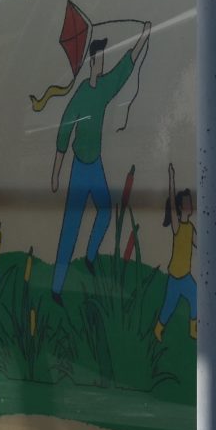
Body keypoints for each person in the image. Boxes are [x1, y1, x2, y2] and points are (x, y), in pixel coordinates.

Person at [46, 20, 148, 296]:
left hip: (96, 165)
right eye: (100, 59)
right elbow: (64, 131)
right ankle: (56, 287)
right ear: (92, 62)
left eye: (103, 59)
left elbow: (124, 69)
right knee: (71, 226)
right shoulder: (82, 94)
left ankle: (90, 257)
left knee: (105, 211)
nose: (103, 63)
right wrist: (56, 173)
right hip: (80, 167)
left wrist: (144, 35)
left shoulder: (103, 88)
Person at [155, 172, 197, 340]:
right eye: (187, 202)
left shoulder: (191, 228)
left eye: (190, 202)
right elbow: (172, 203)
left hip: (185, 276)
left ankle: (193, 328)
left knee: (196, 297)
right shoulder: (177, 226)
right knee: (168, 306)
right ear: (180, 207)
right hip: (175, 276)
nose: (190, 205)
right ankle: (158, 328)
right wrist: (172, 180)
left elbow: (201, 244)